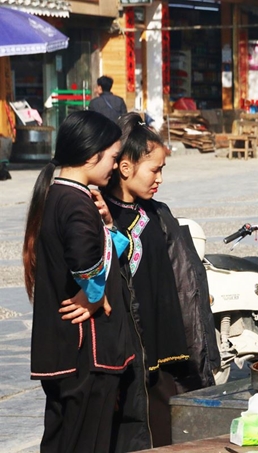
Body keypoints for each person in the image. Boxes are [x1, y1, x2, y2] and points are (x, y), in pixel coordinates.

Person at [103, 112, 219, 451]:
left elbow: (187, 278)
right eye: (154, 169)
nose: (160, 179)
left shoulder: (158, 213)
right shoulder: (102, 214)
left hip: (168, 344)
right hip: (128, 347)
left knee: (167, 429)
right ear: (125, 168)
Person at [22, 110, 135, 452]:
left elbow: (110, 249)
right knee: (86, 441)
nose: (115, 167)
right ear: (91, 154)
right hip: (87, 353)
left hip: (64, 350)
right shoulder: (74, 203)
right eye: (113, 158)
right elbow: (85, 262)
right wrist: (95, 295)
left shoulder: (63, 194)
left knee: (62, 439)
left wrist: (108, 223)